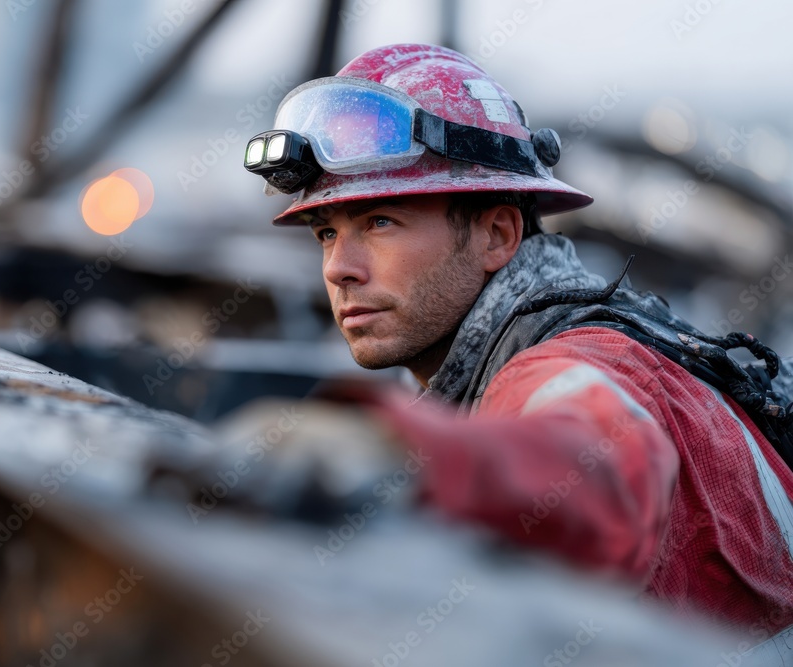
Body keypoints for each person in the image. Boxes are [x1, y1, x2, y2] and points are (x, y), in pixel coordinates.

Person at [243, 43, 793, 639]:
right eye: (326, 232)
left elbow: (601, 473)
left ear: (498, 235)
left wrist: (397, 450)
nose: (338, 268)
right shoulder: (526, 341)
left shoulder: (575, 360)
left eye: (381, 222)